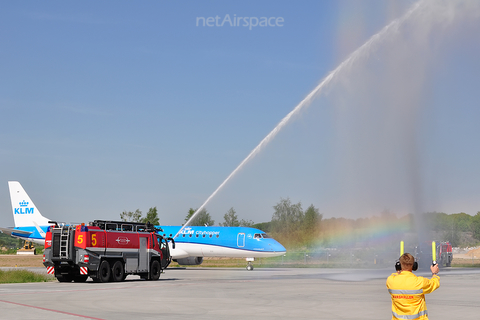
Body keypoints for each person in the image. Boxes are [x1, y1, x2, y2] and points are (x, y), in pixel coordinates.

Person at [386, 253, 440, 320]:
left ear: (399, 265)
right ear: (414, 266)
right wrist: (434, 273)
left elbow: (395, 275)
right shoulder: (419, 282)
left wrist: (398, 270)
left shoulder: (391, 281)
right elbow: (434, 283)